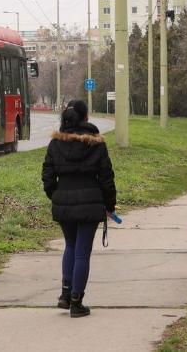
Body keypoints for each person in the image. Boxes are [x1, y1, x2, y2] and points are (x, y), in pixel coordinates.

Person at [42, 100, 116, 318]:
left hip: (63, 203)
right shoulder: (96, 143)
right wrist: (109, 205)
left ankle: (65, 295)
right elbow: (106, 178)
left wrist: (56, 195)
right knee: (83, 251)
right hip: (90, 203)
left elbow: (47, 175)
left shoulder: (55, 144)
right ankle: (77, 301)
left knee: (70, 246)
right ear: (86, 118)